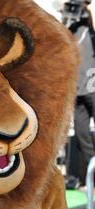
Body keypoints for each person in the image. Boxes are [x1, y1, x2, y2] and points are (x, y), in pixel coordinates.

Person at [66, 1, 95, 189]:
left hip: (93, 86)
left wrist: (87, 10)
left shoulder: (91, 30)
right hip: (78, 90)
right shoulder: (71, 30)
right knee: (81, 133)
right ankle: (92, 179)